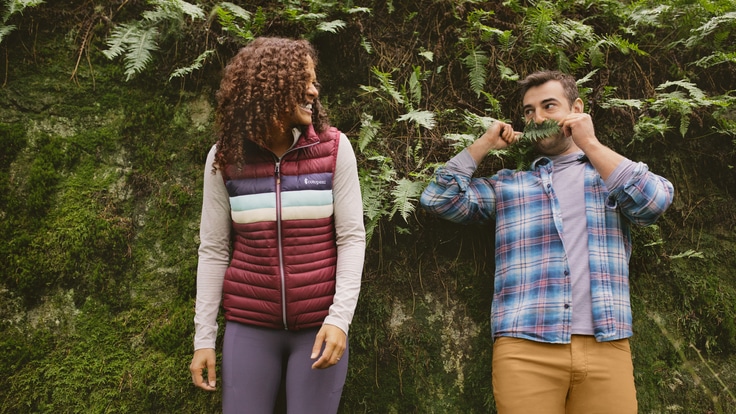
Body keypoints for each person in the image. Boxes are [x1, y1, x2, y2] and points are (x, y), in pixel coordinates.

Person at [420, 70, 674, 413]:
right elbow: (438, 197)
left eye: (549, 106)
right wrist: (485, 144)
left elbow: (653, 202)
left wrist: (591, 143)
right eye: (528, 111)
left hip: (607, 342)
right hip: (525, 346)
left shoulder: (611, 175)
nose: (537, 117)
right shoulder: (509, 185)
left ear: (576, 109)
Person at [189, 37, 366, 414]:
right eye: (304, 81)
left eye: (315, 81)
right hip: (250, 327)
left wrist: (339, 320)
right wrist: (203, 338)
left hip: (320, 327)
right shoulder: (226, 158)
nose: (314, 91)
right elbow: (214, 249)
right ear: (269, 85)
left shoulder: (335, 149)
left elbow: (352, 238)